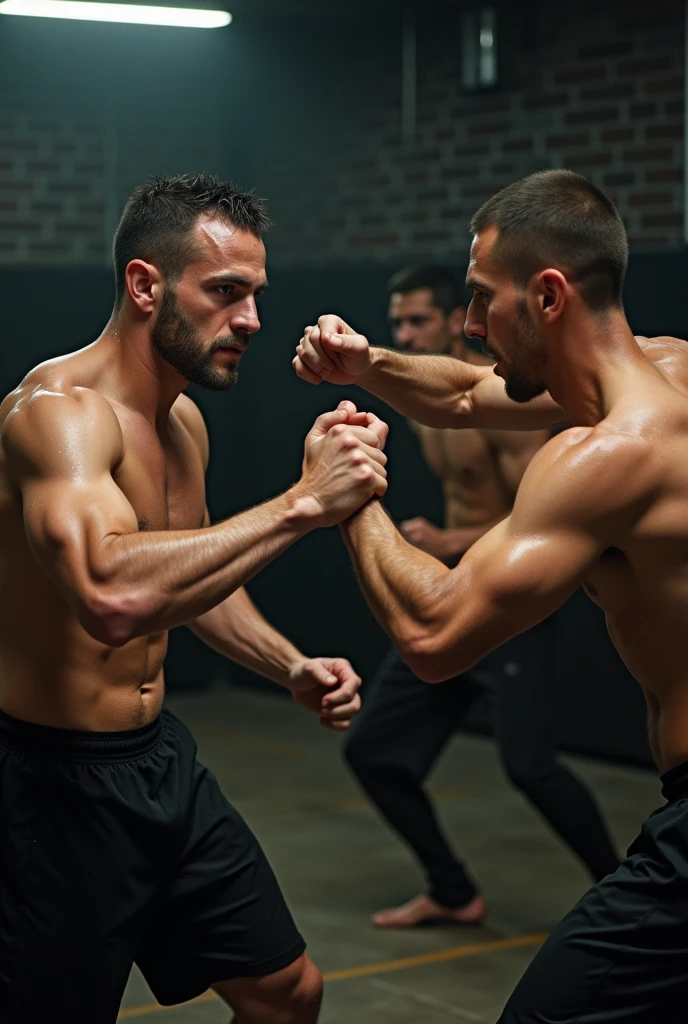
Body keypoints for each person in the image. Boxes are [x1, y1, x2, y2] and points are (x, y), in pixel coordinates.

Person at [293, 169, 688, 1022]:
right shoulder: (671, 370)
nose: (469, 326)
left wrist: (347, 493)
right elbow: (470, 393)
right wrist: (368, 365)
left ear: (547, 297)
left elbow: (434, 635)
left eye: (479, 299)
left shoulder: (609, 455)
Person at [0, 173, 389, 1024]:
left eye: (254, 295)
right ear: (145, 285)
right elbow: (109, 591)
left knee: (289, 994)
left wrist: (288, 665)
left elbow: (191, 581)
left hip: (158, 767)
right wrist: (302, 505)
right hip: (49, 789)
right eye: (224, 293)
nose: (250, 320)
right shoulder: (59, 417)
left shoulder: (183, 424)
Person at [343, 264, 619, 929]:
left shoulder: (504, 403)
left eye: (418, 321)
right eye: (398, 322)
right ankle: (452, 888)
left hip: (510, 606)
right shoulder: (424, 408)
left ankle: (631, 894)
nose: (406, 332)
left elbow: (543, 517)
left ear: (452, 320)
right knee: (372, 751)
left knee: (529, 767)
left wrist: (444, 536)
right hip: (451, 595)